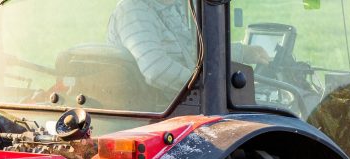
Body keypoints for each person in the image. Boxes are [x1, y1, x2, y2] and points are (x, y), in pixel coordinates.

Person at [108, 0, 273, 93]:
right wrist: (207, 87)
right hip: (160, 113)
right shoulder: (134, 10)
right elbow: (156, 70)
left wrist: (241, 51)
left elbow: (194, 49)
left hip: (178, 105)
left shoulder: (173, 6)